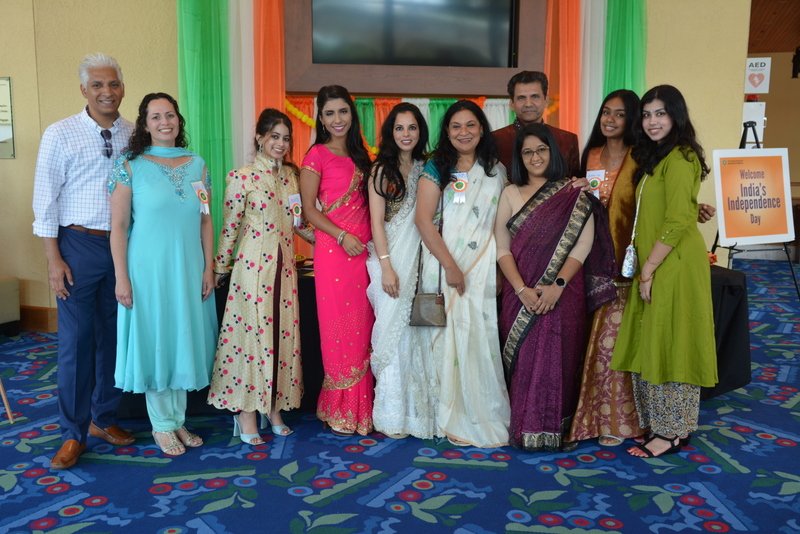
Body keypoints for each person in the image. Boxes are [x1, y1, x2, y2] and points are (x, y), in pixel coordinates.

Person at [32, 53, 135, 470]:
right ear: (83, 90)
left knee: (114, 337)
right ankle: (72, 433)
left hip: (123, 249)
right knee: (76, 342)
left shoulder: (135, 134)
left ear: (122, 88)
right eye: (97, 85)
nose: (106, 92)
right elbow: (45, 200)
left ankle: (103, 418)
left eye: (113, 84)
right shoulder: (60, 133)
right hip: (77, 244)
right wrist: (53, 258)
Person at [611, 85, 718, 458]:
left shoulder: (682, 156)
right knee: (655, 340)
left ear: (676, 116)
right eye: (647, 114)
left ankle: (672, 432)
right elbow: (672, 206)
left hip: (672, 264)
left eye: (661, 113)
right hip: (658, 261)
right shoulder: (660, 156)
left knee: (672, 342)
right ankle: (663, 424)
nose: (652, 121)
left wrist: (649, 270)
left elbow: (674, 221)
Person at [496, 123, 616, 451]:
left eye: (541, 149)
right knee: (524, 360)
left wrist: (557, 286)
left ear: (553, 152)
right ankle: (526, 428)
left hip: (563, 293)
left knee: (561, 357)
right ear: (519, 157)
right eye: (527, 152)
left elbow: (583, 246)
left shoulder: (574, 192)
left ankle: (556, 428)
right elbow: (502, 249)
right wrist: (521, 289)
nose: (535, 157)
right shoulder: (509, 193)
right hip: (519, 293)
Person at [109, 93, 218, 456]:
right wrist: (121, 277)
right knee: (157, 340)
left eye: (169, 115)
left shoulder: (198, 164)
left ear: (178, 120)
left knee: (181, 339)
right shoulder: (130, 165)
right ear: (144, 124)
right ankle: (161, 424)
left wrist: (209, 266)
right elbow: (118, 226)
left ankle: (177, 419)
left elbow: (205, 221)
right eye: (155, 117)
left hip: (188, 266)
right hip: (148, 270)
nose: (164, 122)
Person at [208, 109, 310, 444]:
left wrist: (333, 242)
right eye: (274, 137)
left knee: (281, 337)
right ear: (260, 138)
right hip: (252, 271)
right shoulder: (243, 177)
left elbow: (299, 223)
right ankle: (246, 411)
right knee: (252, 341)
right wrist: (220, 267)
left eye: (286, 138)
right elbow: (230, 227)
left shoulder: (291, 177)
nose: (280, 144)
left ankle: (274, 407)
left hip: (285, 271)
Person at [415, 100, 510, 447]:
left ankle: (479, 412)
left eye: (470, 125)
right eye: (456, 126)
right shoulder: (437, 166)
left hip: (482, 271)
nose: (464, 132)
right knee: (444, 341)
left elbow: (501, 224)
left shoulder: (496, 170)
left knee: (481, 339)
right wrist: (451, 267)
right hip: (445, 268)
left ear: (482, 128)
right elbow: (423, 221)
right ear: (447, 131)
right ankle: (448, 413)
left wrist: (499, 270)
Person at [567, 90, 646, 447]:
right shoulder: (591, 155)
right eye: (605, 112)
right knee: (589, 342)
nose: (610, 120)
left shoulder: (640, 158)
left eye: (619, 114)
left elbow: (653, 202)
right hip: (590, 259)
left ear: (632, 120)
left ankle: (619, 421)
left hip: (627, 263)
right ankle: (589, 418)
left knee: (614, 343)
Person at [299, 85, 375, 436]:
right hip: (335, 253)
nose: (337, 119)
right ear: (321, 118)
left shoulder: (363, 156)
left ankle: (362, 408)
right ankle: (341, 408)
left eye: (342, 111)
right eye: (329, 113)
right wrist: (342, 236)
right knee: (339, 329)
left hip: (365, 255)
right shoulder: (317, 154)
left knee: (364, 328)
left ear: (352, 114)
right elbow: (309, 210)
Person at [366, 102, 438, 439]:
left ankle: (419, 414)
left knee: (419, 336)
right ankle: (392, 415)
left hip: (422, 262)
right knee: (392, 338)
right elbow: (376, 223)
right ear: (390, 132)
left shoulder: (428, 168)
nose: (406, 134)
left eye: (412, 127)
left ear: (420, 131)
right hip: (390, 260)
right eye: (399, 128)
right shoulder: (381, 169)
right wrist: (387, 267)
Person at [493, 71, 580, 176]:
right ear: (512, 104)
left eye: (535, 97)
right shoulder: (494, 140)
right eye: (521, 98)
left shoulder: (567, 140)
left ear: (546, 100)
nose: (528, 104)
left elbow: (574, 182)